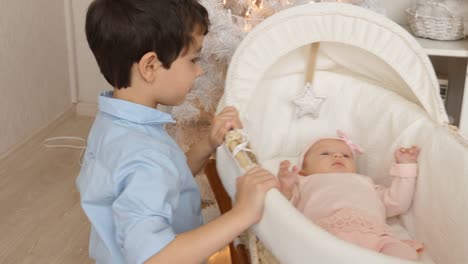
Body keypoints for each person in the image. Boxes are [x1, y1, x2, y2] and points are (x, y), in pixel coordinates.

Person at [76, 1, 279, 263]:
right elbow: (155, 257)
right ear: (150, 66)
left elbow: (168, 176)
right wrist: (242, 214)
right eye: (193, 59)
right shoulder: (145, 156)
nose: (200, 70)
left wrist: (208, 143)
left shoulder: (114, 121)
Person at [278, 130, 423, 261]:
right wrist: (286, 187)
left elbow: (398, 202)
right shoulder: (304, 182)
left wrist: (405, 167)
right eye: (325, 153)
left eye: (346, 155)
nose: (337, 155)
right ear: (303, 170)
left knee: (403, 253)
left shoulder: (366, 183)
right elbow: (285, 210)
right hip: (327, 236)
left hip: (377, 237)